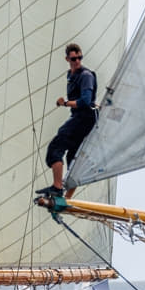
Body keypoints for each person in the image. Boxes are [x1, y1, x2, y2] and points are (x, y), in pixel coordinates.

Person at [35, 43, 96, 199]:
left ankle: (57, 188)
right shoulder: (71, 75)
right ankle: (66, 198)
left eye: (79, 58)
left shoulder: (85, 76)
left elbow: (86, 101)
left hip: (84, 118)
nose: (77, 61)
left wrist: (65, 103)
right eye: (74, 58)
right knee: (72, 157)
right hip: (81, 118)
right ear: (67, 58)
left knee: (56, 146)